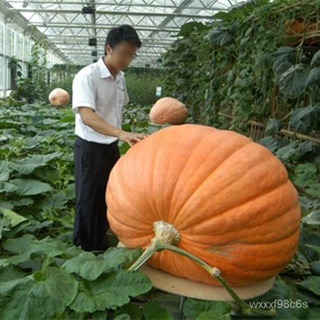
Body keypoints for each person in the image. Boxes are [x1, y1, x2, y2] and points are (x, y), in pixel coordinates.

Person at [72, 25, 148, 252]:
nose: (127, 59)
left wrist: (126, 134)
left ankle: (100, 241)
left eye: (131, 55)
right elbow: (87, 116)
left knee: (108, 195)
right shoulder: (88, 76)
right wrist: (121, 133)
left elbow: (117, 109)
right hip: (90, 147)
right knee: (88, 198)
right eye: (124, 53)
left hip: (110, 146)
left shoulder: (120, 77)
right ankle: (84, 250)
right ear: (108, 48)